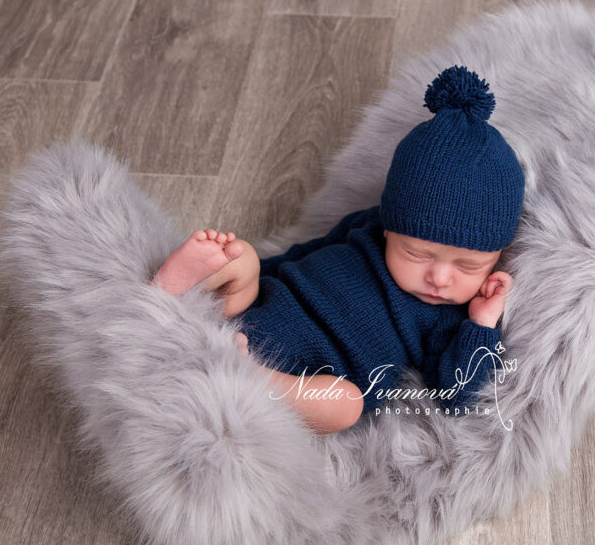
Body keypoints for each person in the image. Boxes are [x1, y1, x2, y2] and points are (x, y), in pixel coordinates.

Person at [152, 65, 526, 434]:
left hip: (305, 373)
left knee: (347, 405)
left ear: (494, 257)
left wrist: (481, 323)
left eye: (468, 265)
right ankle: (173, 290)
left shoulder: (451, 317)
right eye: (418, 254)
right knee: (242, 256)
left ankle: (253, 376)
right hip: (261, 306)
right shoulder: (368, 227)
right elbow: (307, 251)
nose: (440, 277)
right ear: (390, 228)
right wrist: (256, 274)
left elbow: (456, 394)